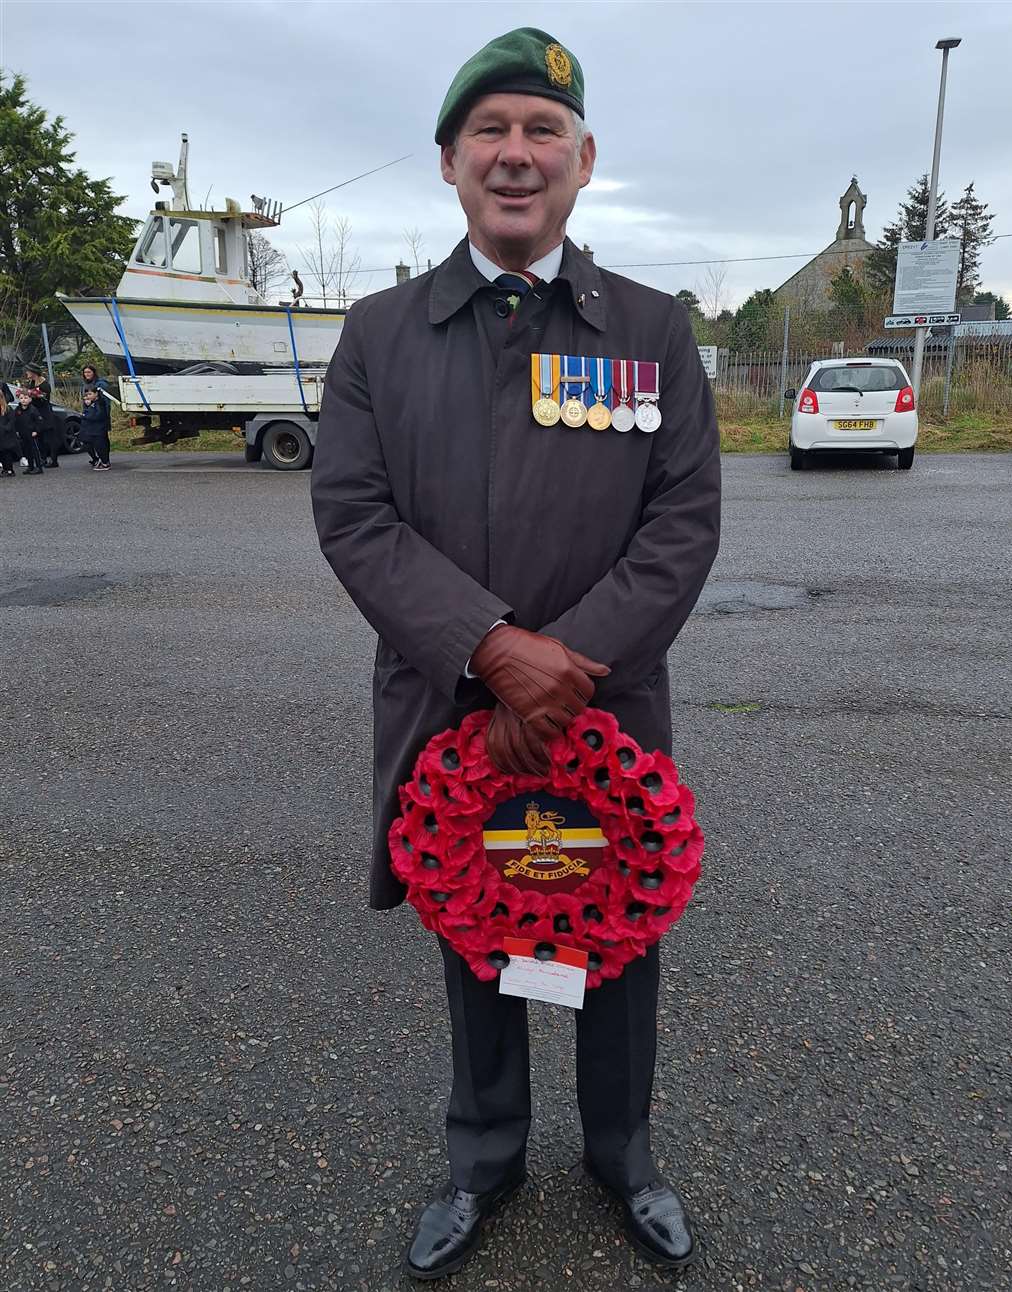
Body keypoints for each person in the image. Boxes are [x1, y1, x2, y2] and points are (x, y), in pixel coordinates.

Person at [311, 27, 722, 1281]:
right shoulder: (379, 334)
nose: (515, 152)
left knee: (617, 924)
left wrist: (564, 665)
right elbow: (354, 513)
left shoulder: (652, 330)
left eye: (543, 131)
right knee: (478, 923)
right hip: (454, 707)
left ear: (585, 160)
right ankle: (483, 1155)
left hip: (605, 710)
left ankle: (623, 1154)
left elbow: (683, 522)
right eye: (490, 129)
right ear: (448, 163)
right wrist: (490, 651)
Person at [23, 364, 62, 467]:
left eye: (28, 371)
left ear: (33, 372)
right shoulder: (31, 383)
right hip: (35, 413)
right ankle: (43, 458)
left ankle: (54, 460)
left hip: (45, 413)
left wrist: (34, 395)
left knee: (50, 438)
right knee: (39, 438)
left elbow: (44, 399)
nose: (26, 373)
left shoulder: (44, 384)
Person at [11, 389, 44, 474]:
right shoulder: (18, 410)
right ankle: (30, 466)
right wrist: (17, 431)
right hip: (23, 433)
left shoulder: (33, 409)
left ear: (30, 399)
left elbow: (39, 421)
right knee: (27, 451)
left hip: (32, 434)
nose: (23, 400)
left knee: (35, 450)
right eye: (21, 398)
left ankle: (39, 467)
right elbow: (15, 421)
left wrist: (36, 431)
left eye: (26, 398)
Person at [79, 386, 112, 470]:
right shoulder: (91, 403)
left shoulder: (99, 403)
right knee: (90, 444)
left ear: (96, 394)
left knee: (100, 446)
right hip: (92, 429)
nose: (88, 396)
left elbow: (98, 415)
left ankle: (105, 463)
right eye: (87, 394)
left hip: (98, 429)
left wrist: (85, 416)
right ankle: (99, 460)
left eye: (90, 394)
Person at [0, 387, 20, 476]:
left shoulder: (7, 409)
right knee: (1, 453)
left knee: (7, 453)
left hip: (6, 435)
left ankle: (9, 469)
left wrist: (5, 428)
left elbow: (11, 421)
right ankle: (4, 469)